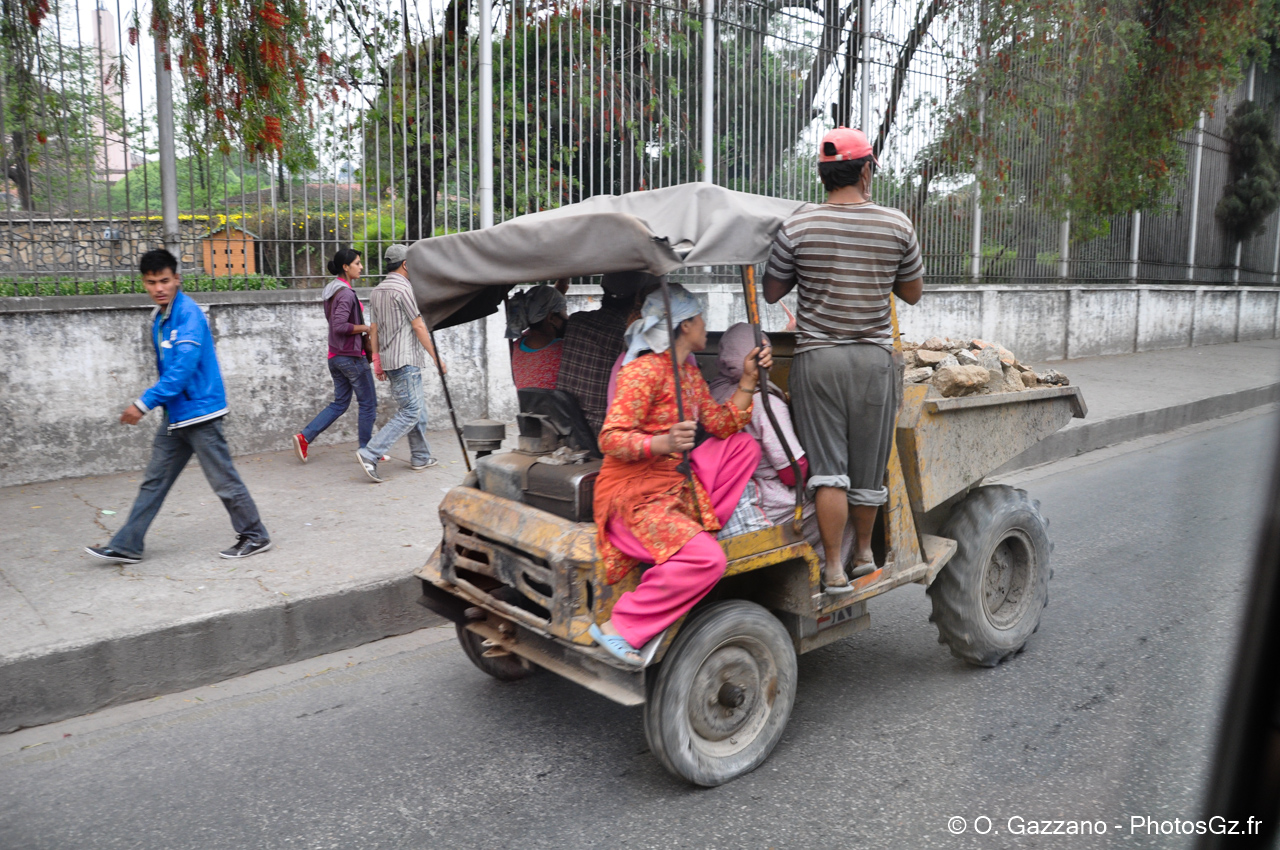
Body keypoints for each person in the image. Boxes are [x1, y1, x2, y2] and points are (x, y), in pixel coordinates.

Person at [763, 126, 924, 592]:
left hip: (818, 361)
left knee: (828, 470)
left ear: (822, 175)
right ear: (866, 170)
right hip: (873, 361)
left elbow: (772, 291)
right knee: (867, 466)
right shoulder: (897, 224)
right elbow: (912, 293)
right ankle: (864, 555)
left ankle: (832, 569)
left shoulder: (798, 224)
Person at [589, 284, 772, 667]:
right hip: (632, 495)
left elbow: (722, 423)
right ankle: (620, 627)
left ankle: (696, 532)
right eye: (701, 318)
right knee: (709, 561)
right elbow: (610, 438)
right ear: (686, 325)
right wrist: (661, 443)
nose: (706, 325)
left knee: (743, 445)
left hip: (670, 484)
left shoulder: (688, 372)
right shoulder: (642, 371)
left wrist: (748, 380)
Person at [84, 249, 271, 564]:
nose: (158, 288)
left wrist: (143, 403)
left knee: (223, 480)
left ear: (177, 279)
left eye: (164, 281)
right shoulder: (160, 317)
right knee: (154, 481)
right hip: (175, 416)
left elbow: (182, 370)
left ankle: (255, 535)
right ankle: (128, 544)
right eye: (151, 282)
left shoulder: (188, 315)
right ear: (144, 283)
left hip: (200, 413)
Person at [709, 322, 853, 569]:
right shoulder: (764, 402)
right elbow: (791, 470)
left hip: (721, 489)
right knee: (839, 505)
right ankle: (826, 569)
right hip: (760, 496)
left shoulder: (714, 391)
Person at [357, 244, 444, 483]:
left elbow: (373, 329)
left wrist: (377, 361)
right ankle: (370, 453)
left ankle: (420, 456)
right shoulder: (405, 289)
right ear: (405, 264)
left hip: (390, 360)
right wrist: (436, 358)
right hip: (405, 360)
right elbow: (418, 325)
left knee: (417, 408)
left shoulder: (377, 291)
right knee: (411, 411)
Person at [291, 248, 376, 463]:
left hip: (336, 356)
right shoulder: (345, 293)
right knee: (368, 403)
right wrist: (365, 327)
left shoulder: (332, 291)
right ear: (345, 267)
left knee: (340, 403)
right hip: (351, 357)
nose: (361, 267)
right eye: (357, 263)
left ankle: (305, 437)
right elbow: (339, 326)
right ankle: (367, 452)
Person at [556, 271, 653, 431]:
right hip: (601, 429)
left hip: (566, 423)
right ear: (637, 298)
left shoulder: (576, 321)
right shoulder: (626, 336)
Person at [506, 284, 568, 390]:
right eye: (565, 311)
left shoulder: (517, 345)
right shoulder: (564, 349)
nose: (567, 317)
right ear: (551, 317)